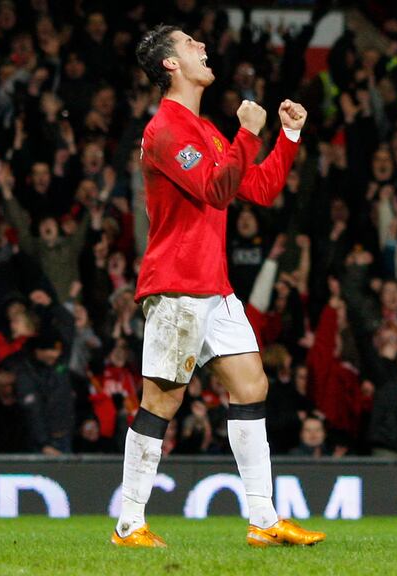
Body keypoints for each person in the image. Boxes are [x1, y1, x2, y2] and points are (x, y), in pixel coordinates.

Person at [111, 25, 324, 549]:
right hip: (177, 286)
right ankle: (129, 524)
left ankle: (264, 520)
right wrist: (248, 133)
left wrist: (286, 137)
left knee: (252, 386)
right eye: (189, 44)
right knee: (162, 402)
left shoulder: (203, 130)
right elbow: (215, 188)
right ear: (170, 65)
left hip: (214, 286)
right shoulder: (165, 130)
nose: (203, 47)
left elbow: (259, 187)